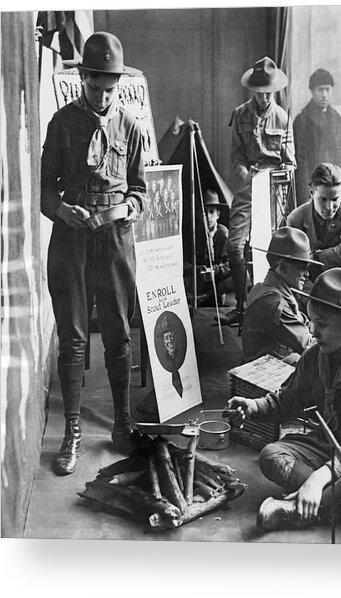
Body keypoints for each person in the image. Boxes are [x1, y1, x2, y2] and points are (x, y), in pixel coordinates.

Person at [228, 268, 341, 543]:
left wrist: (316, 480)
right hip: (325, 443)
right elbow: (284, 402)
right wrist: (253, 406)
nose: (313, 331)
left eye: (323, 324)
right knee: (271, 456)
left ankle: (295, 510)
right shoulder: (314, 356)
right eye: (313, 322)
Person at [40, 32, 146, 475]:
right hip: (71, 241)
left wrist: (119, 209)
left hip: (116, 240)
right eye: (94, 86)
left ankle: (121, 423)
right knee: (75, 337)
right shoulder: (62, 123)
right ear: (81, 77)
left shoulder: (132, 126)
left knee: (120, 333)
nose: (102, 95)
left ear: (117, 85)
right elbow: (44, 192)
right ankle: (72, 432)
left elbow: (140, 193)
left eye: (109, 88)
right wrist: (64, 210)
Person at [220, 56, 296, 327]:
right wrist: (246, 175)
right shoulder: (240, 114)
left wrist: (274, 179)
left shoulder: (282, 118)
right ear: (251, 90)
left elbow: (291, 164)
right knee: (235, 245)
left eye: (268, 94)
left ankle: (265, 310)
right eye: (259, 94)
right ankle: (240, 307)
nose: (263, 99)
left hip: (273, 190)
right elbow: (236, 157)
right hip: (248, 186)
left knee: (266, 251)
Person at [287, 162, 341, 294]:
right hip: (313, 284)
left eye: (335, 199)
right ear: (311, 192)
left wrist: (315, 258)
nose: (330, 207)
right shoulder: (296, 219)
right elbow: (297, 270)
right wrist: (314, 299)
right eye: (323, 199)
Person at [242, 227, 321, 365]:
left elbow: (304, 324)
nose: (307, 274)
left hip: (273, 365)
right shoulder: (274, 304)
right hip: (269, 376)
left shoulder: (265, 289)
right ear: (283, 266)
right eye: (302, 267)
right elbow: (308, 345)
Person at [293, 68, 341, 206]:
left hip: (336, 191)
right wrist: (305, 198)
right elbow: (300, 163)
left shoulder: (336, 118)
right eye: (320, 90)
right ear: (312, 91)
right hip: (314, 193)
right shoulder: (302, 120)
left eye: (328, 89)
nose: (324, 95)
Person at [187, 190, 233, 309]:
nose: (208, 217)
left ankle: (211, 297)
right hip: (201, 282)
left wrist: (215, 270)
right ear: (198, 214)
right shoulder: (195, 234)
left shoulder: (223, 234)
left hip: (217, 282)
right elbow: (186, 263)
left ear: (218, 214)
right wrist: (199, 270)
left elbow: (230, 264)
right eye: (204, 212)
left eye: (211, 212)